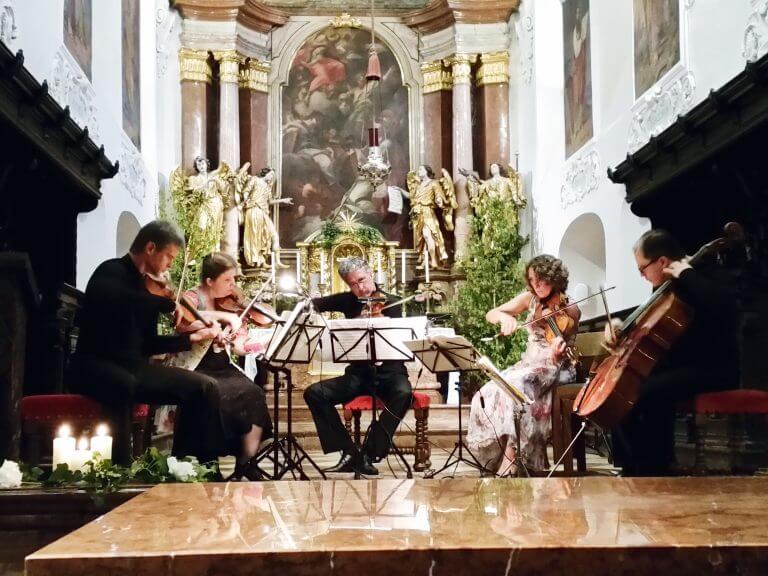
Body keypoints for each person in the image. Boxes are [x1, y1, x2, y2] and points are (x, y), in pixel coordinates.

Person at [68, 220, 223, 465]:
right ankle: (120, 470)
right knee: (123, 384)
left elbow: (148, 344)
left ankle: (189, 467)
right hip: (94, 365)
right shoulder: (111, 271)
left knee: (204, 387)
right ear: (150, 248)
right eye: (169, 257)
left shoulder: (147, 289)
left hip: (133, 368)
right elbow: (117, 299)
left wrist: (189, 338)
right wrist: (167, 304)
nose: (171, 264)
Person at [603, 229, 740, 476]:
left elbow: (722, 305)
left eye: (642, 269)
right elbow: (649, 319)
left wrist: (686, 274)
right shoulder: (667, 287)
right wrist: (618, 326)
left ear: (662, 262)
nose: (642, 275)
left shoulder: (705, 274)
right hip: (682, 367)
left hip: (714, 368)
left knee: (645, 392)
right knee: (624, 389)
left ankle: (654, 466)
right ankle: (632, 465)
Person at [467, 255, 580, 475]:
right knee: (488, 391)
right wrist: (504, 318)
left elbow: (560, 350)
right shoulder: (530, 299)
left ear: (554, 279)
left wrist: (556, 351)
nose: (536, 286)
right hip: (528, 364)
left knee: (518, 388)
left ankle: (512, 459)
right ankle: (493, 458)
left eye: (542, 280)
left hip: (556, 367)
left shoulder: (570, 308)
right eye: (532, 280)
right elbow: (491, 313)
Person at [303, 257, 411, 476]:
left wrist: (376, 318)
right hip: (359, 375)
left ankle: (370, 454)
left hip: (390, 372)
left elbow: (400, 341)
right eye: (353, 284)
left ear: (370, 274)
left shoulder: (393, 302)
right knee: (314, 393)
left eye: (362, 280)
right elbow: (313, 305)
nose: (360, 288)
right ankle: (348, 450)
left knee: (404, 393)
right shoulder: (347, 301)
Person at [174, 252, 274, 480]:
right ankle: (210, 463)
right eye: (228, 280)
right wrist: (224, 317)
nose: (234, 286)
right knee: (218, 395)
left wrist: (251, 344)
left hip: (222, 365)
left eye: (234, 280)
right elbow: (185, 319)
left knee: (253, 393)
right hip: (196, 365)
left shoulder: (231, 305)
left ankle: (246, 461)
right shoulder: (192, 297)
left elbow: (238, 347)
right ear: (210, 281)